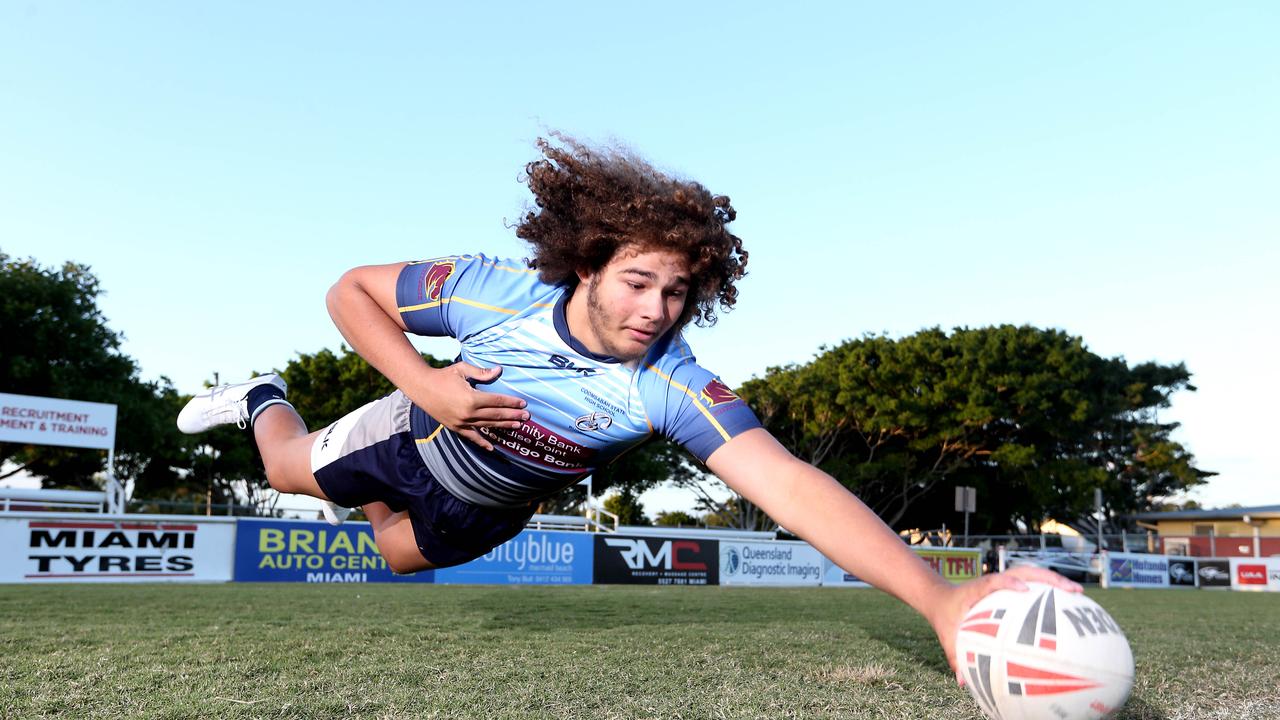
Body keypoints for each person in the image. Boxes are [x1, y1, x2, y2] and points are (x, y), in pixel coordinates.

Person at [178, 134, 1076, 681]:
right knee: (283, 469)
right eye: (639, 280)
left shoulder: (673, 385)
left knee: (391, 553)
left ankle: (379, 502)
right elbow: (347, 292)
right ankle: (261, 394)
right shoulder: (493, 295)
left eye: (678, 292)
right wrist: (432, 386)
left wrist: (936, 599)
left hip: (490, 506)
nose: (656, 309)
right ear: (587, 265)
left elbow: (790, 486)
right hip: (413, 432)